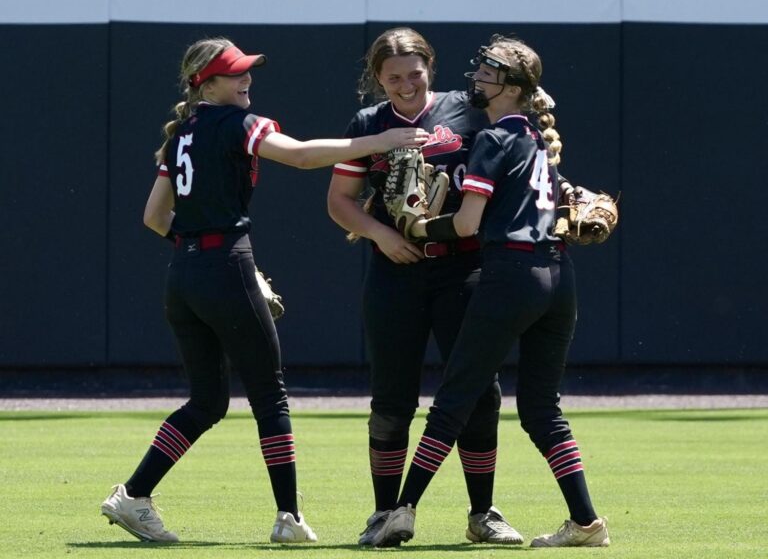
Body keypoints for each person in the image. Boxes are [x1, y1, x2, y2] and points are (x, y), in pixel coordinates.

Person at [100, 37, 427, 544]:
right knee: (270, 396)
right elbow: (299, 156)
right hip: (225, 264)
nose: (246, 78)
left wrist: (198, 249)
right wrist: (380, 141)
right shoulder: (235, 123)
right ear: (205, 83)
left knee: (208, 401)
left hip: (184, 272)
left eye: (247, 70)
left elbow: (153, 217)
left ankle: (134, 496)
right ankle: (288, 519)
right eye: (235, 73)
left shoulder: (181, 132)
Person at [373, 35, 610, 548]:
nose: (477, 76)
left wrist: (415, 229)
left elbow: (465, 226)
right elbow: (564, 202)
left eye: (488, 71)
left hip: (510, 277)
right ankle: (586, 522)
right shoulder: (538, 142)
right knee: (542, 410)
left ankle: (402, 510)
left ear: (512, 86)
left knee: (453, 400)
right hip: (558, 277)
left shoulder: (493, 139)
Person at [327, 27, 523, 546]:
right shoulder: (371, 123)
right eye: (394, 77)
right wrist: (379, 233)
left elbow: (521, 151)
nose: (406, 84)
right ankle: (384, 512)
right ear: (377, 78)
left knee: (480, 393)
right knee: (391, 399)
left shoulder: (470, 109)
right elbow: (340, 199)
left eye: (415, 73)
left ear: (430, 68)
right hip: (395, 271)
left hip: (465, 267)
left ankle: (483, 513)